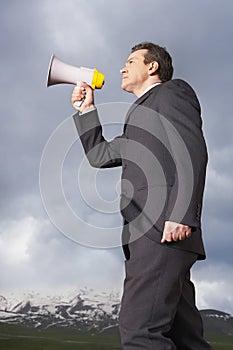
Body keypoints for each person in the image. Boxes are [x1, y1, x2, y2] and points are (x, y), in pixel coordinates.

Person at [71, 42, 212, 349]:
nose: (122, 67)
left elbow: (192, 151)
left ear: (152, 67)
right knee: (184, 337)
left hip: (162, 228)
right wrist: (86, 111)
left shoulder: (172, 93)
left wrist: (181, 214)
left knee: (140, 332)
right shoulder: (139, 116)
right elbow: (101, 155)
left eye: (130, 61)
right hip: (152, 233)